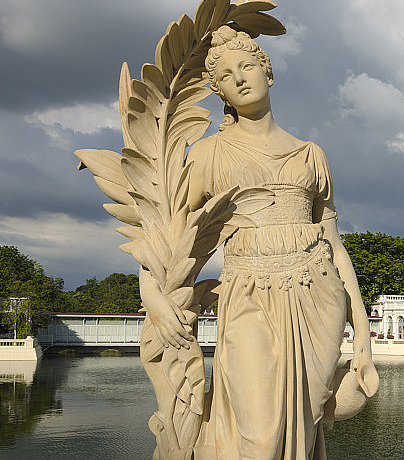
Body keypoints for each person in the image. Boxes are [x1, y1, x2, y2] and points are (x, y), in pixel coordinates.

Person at [142, 25, 375, 459]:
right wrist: (151, 293)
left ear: (268, 73)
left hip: (317, 295)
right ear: (221, 93)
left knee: (299, 429)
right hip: (247, 291)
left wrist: (361, 329)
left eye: (247, 66)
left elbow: (334, 244)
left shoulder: (310, 154)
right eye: (226, 77)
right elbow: (170, 239)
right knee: (261, 434)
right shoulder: (210, 155)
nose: (240, 78)